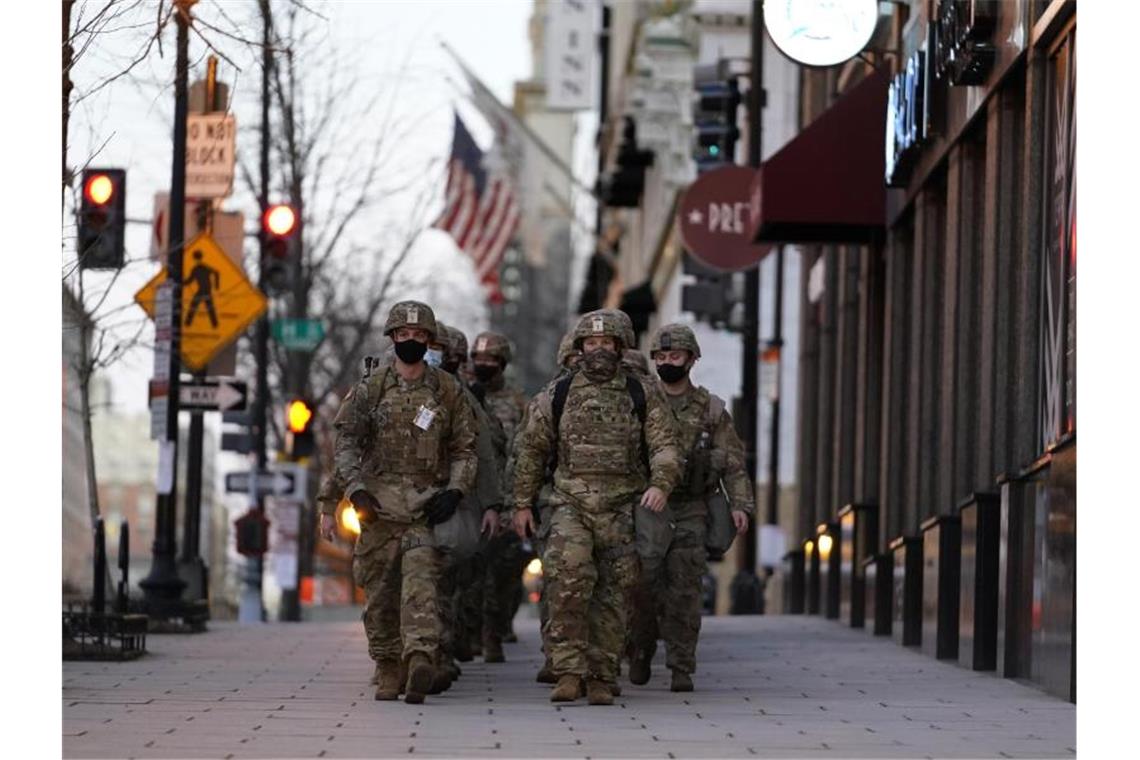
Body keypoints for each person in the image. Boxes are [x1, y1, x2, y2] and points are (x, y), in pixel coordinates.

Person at [512, 310, 682, 705]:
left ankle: (602, 675)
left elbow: (665, 446)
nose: (599, 351)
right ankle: (569, 671)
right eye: (592, 344)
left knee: (613, 594)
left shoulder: (643, 393)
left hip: (622, 508)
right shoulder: (557, 393)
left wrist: (661, 483)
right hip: (569, 503)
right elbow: (532, 451)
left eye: (607, 344)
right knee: (568, 582)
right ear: (580, 348)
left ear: (620, 347)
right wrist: (521, 503)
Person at [325, 300, 477, 705]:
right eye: (404, 335)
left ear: (429, 340)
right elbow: (346, 444)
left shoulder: (446, 390)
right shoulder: (371, 388)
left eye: (419, 336)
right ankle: (387, 665)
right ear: (393, 338)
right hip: (376, 508)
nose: (411, 341)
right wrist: (353, 491)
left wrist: (455, 491)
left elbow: (466, 449)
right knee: (379, 594)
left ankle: (420, 658)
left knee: (421, 586)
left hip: (424, 509)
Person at [628, 323, 754, 692]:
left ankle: (682, 666)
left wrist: (741, 505)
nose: (668, 362)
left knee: (684, 589)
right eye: (662, 357)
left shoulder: (711, 409)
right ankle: (640, 648)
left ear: (692, 359)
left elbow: (732, 461)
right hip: (647, 508)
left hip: (691, 508)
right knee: (642, 586)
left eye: (676, 356)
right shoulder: (639, 400)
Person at [432, 322, 504, 687]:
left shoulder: (462, 398)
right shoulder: (386, 385)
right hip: (395, 500)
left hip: (452, 500)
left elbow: (487, 452)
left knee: (441, 579)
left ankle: (435, 655)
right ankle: (391, 655)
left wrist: (493, 503)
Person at [470, 331, 528, 660]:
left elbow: (525, 451)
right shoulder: (464, 394)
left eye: (491, 360)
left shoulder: (519, 403)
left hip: (505, 495)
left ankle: (494, 630)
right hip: (470, 494)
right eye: (478, 360)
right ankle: (473, 632)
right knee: (471, 569)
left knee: (502, 570)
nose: (484, 365)